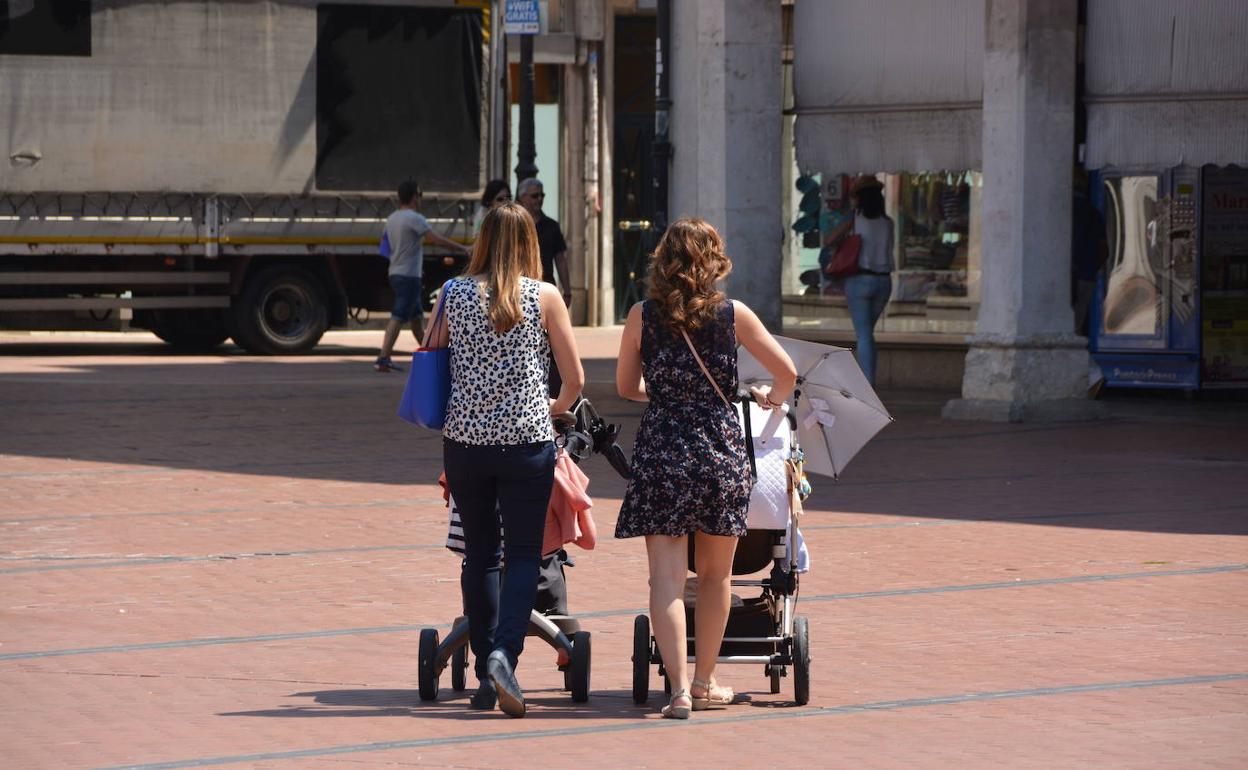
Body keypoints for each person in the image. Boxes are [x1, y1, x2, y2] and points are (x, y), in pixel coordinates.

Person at [614, 218, 797, 720]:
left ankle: (675, 691)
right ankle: (703, 682)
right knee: (716, 577)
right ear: (713, 261)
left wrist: (669, 392)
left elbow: (627, 388)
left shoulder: (641, 315)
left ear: (663, 261)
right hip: (718, 449)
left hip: (662, 450)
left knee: (666, 579)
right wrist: (768, 397)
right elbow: (786, 373)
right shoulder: (733, 314)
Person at [428, 202, 584, 718]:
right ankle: (503, 657)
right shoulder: (544, 296)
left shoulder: (452, 294)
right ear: (529, 244)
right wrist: (552, 409)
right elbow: (575, 379)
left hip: (465, 442)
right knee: (522, 554)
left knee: (478, 555)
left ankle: (483, 675)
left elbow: (430, 354)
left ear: (483, 240)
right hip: (525, 442)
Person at [374, 179, 470, 373]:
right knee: (399, 315)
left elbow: (384, 247)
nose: (420, 200)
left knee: (417, 318)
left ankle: (430, 356)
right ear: (414, 197)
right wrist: (463, 248)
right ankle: (383, 357)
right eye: (419, 196)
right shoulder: (415, 218)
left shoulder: (392, 218)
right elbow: (435, 239)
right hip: (409, 275)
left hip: (396, 272)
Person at [825, 177, 894, 385]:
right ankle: (866, 379)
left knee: (864, 336)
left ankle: (866, 384)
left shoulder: (855, 218)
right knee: (867, 334)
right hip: (884, 282)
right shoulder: (888, 222)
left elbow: (829, 240)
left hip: (859, 281)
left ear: (860, 199)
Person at [516, 177, 573, 396]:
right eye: (534, 195)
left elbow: (561, 259)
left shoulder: (552, 226)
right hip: (519, 291)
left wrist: (567, 289)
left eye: (542, 195)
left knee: (553, 340)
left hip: (546, 289)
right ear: (522, 197)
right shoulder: (516, 226)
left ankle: (553, 383)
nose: (539, 199)